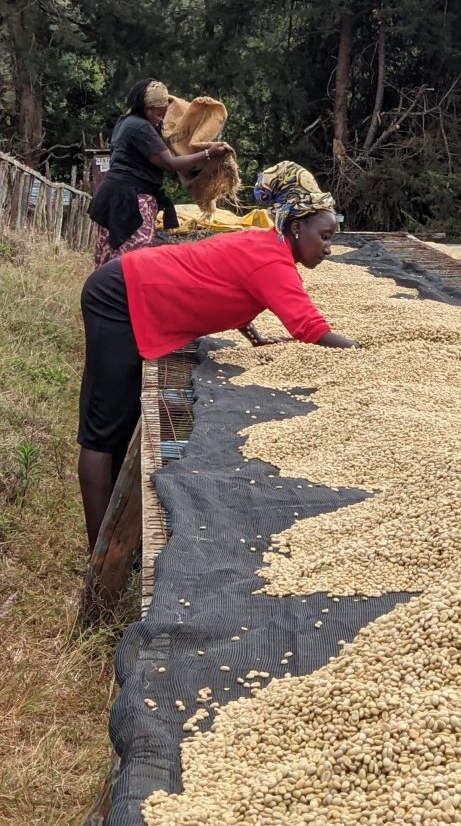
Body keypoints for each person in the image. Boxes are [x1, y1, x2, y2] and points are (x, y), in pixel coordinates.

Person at [76, 164, 360, 549]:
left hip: (136, 291)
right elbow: (310, 328)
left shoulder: (267, 246)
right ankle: (100, 558)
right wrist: (364, 352)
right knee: (103, 433)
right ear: (297, 228)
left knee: (122, 420)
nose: (328, 248)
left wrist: (253, 332)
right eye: (324, 236)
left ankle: (114, 536)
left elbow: (222, 278)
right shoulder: (272, 260)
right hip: (121, 296)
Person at [88, 79, 229, 267]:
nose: (161, 119)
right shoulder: (141, 128)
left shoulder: (125, 121)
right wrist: (207, 154)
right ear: (147, 109)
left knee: (109, 262)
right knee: (134, 262)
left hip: (111, 196)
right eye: (159, 114)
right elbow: (172, 163)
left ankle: (106, 295)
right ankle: (126, 295)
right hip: (130, 201)